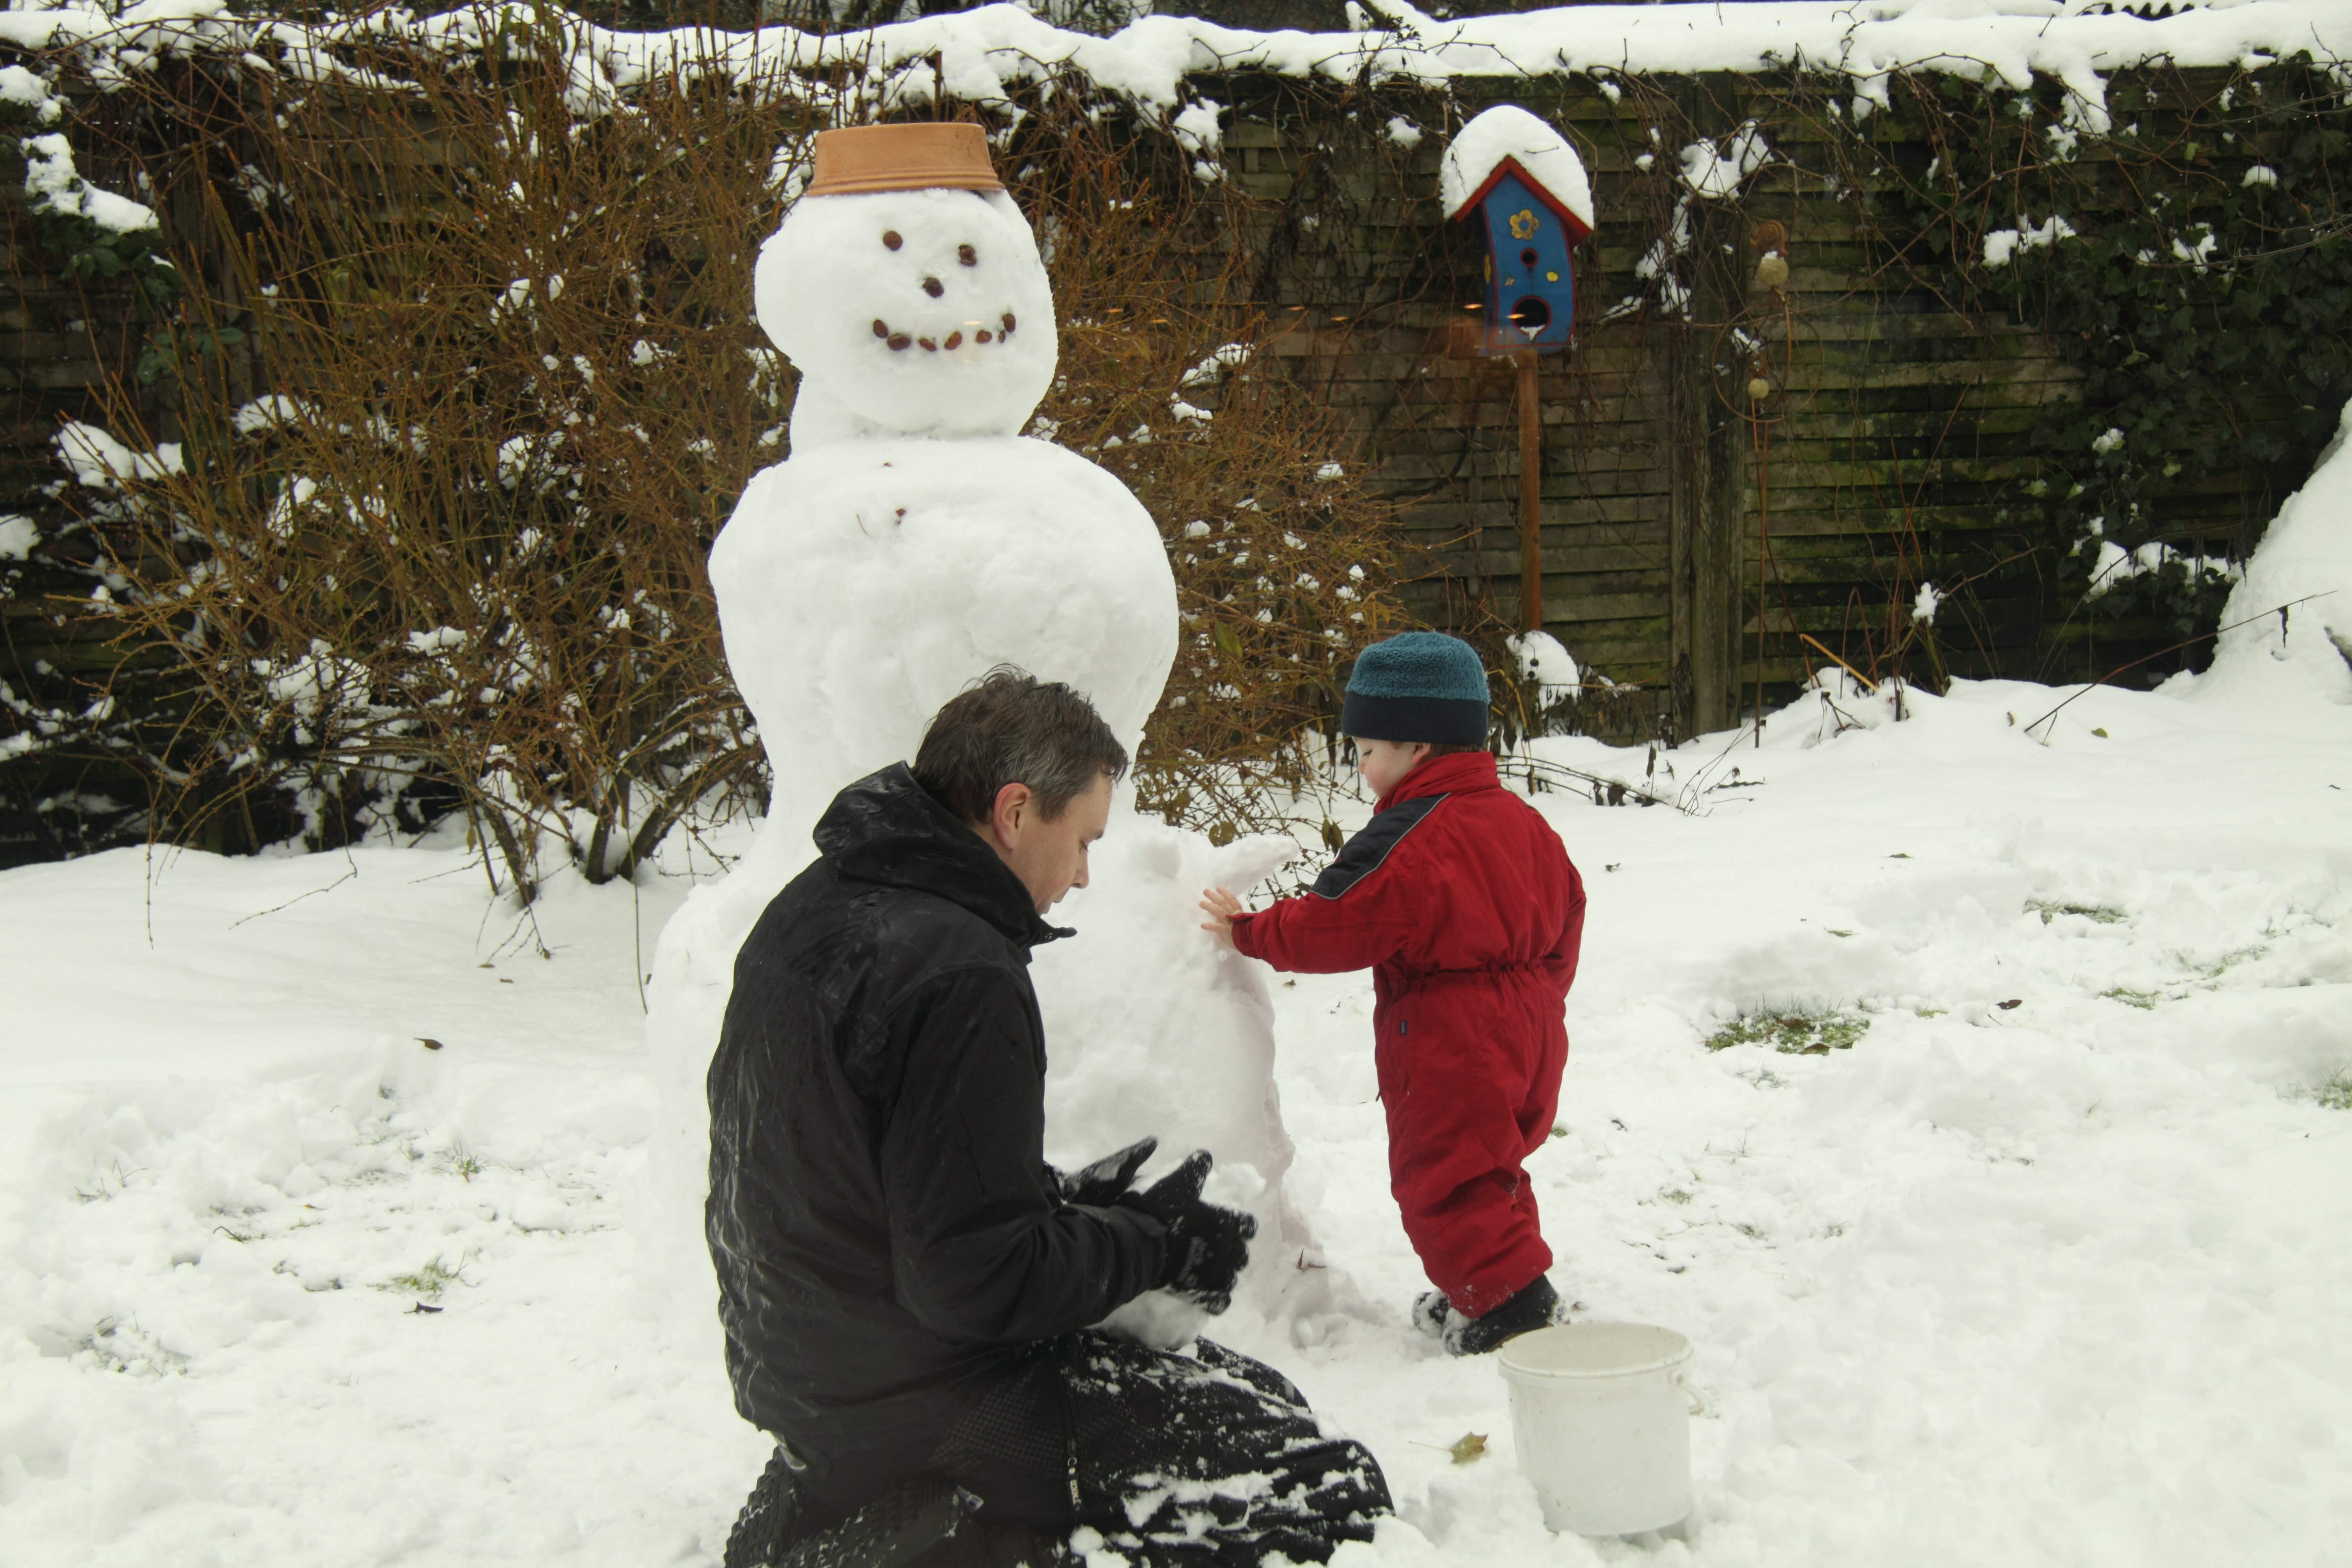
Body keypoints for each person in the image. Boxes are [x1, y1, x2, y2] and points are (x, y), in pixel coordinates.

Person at [707, 667, 1391, 1568]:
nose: (1081, 875)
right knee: (1327, 1483)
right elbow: (972, 1285)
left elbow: (871, 1177)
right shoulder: (958, 969)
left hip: (806, 1369)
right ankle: (962, 1539)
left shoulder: (821, 902)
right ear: (1016, 811)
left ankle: (870, 1493)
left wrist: (1070, 1207)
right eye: (1082, 841)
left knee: (1257, 1394)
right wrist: (1152, 1247)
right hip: (921, 1396)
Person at [1199, 632, 1586, 1357]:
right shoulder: (1525, 822)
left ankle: (1512, 1307)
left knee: (1443, 1179)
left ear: (1419, 746)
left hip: (1454, 1038)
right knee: (1491, 1165)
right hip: (1532, 1027)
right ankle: (1490, 1283)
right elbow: (1570, 908)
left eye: (1368, 749)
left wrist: (1249, 931)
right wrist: (1538, 1002)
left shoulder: (1414, 834)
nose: (1362, 766)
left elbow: (1334, 921)